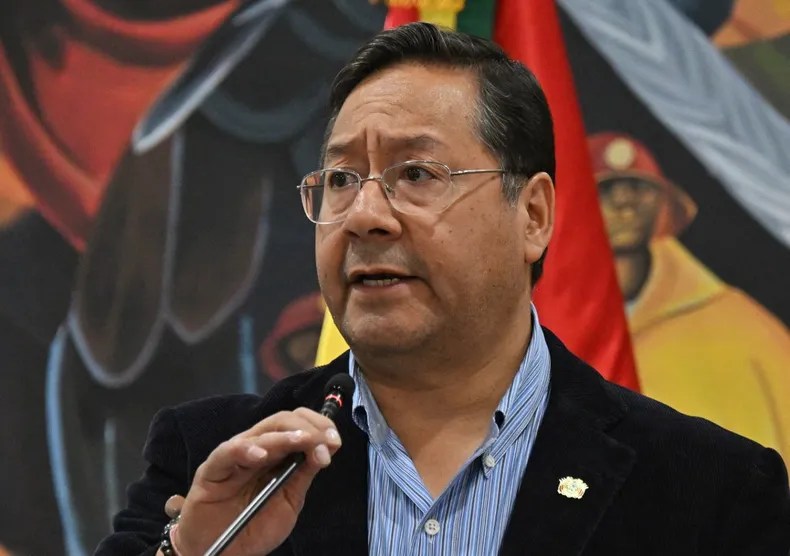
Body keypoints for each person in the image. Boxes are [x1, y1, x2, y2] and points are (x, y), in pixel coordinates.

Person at [96, 23, 790, 556]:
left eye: (417, 174)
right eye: (341, 179)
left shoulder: (709, 490)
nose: (364, 215)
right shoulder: (217, 460)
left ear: (533, 215)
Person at [590, 132, 790, 459]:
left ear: (663, 207)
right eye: (605, 189)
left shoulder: (740, 325)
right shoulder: (539, 323)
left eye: (638, 187)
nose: (624, 202)